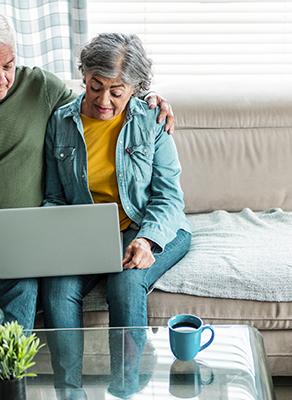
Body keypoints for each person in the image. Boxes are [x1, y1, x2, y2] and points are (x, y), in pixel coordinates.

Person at [0, 11, 175, 335]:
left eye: (9, 66)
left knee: (18, 316)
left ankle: (9, 382)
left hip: (17, 231)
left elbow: (101, 102)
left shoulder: (39, 87)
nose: (1, 79)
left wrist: (149, 100)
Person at [40, 33, 192, 398]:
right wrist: (54, 231)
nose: (103, 101)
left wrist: (147, 239)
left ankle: (124, 391)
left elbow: (169, 197)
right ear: (84, 77)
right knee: (58, 291)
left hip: (150, 226)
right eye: (95, 87)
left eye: (117, 91)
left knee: (125, 284)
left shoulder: (152, 119)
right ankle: (69, 392)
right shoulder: (60, 122)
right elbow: (53, 196)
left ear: (136, 88)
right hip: (87, 233)